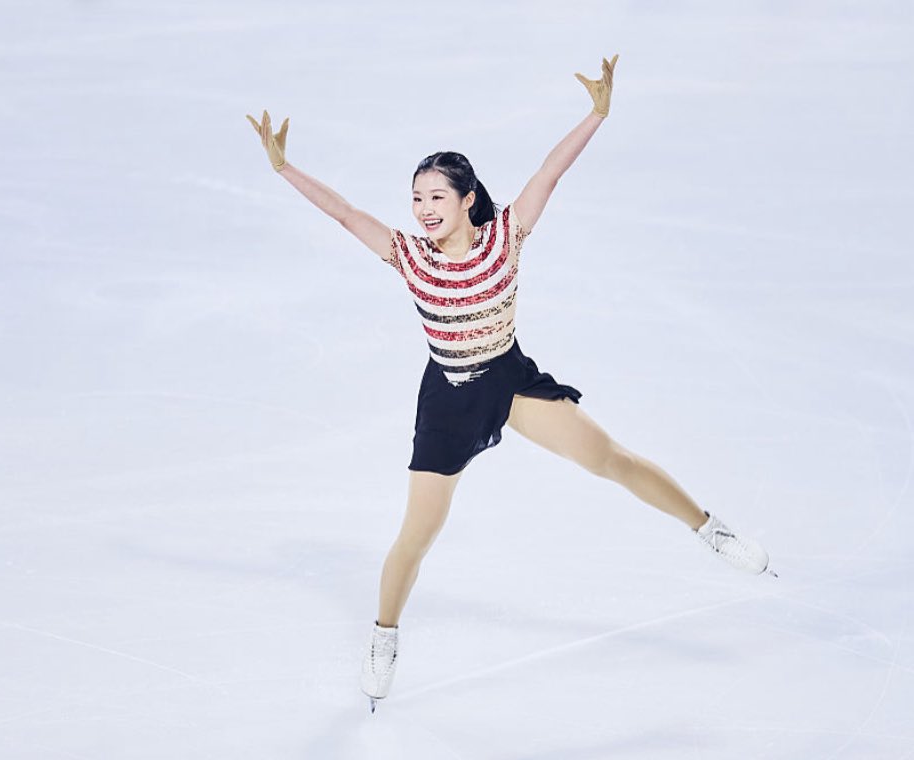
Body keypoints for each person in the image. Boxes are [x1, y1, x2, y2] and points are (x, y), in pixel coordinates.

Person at [247, 55, 773, 712]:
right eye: (415, 198)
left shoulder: (506, 234)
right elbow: (344, 212)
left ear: (468, 199)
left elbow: (549, 171)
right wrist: (283, 167)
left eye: (435, 196)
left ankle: (706, 528)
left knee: (606, 457)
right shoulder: (405, 254)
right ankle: (384, 636)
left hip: (507, 379)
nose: (423, 209)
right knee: (418, 534)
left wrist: (597, 113)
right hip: (446, 399)